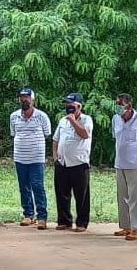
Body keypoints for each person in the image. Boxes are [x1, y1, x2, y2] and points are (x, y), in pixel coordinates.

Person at [112, 93, 137, 240]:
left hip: (136, 165)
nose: (117, 107)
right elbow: (116, 138)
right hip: (119, 163)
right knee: (122, 197)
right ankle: (126, 226)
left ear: (128, 106)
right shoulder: (115, 119)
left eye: (120, 104)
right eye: (116, 104)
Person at [9, 88, 52, 228]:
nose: (24, 100)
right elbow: (13, 133)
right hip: (20, 157)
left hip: (36, 158)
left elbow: (47, 134)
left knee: (37, 186)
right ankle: (28, 214)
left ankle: (42, 217)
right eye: (21, 98)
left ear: (32, 99)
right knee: (24, 187)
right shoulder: (14, 116)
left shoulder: (42, 116)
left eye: (27, 98)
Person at [53, 93, 93, 232]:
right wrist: (55, 157)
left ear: (79, 106)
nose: (68, 107)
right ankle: (64, 220)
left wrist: (73, 121)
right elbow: (56, 139)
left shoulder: (86, 119)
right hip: (62, 162)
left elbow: (84, 134)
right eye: (66, 104)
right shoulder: (62, 121)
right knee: (62, 193)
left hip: (79, 163)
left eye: (71, 105)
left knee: (81, 195)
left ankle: (81, 222)